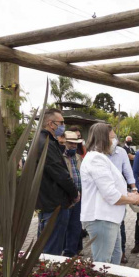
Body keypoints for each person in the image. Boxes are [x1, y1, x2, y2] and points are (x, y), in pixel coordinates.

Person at [80, 123, 139, 264]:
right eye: (112, 138)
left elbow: (113, 186)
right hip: (102, 219)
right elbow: (110, 194)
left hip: (109, 219)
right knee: (103, 265)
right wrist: (132, 199)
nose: (114, 141)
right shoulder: (96, 159)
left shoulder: (100, 157)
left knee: (115, 260)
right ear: (103, 138)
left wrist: (129, 193)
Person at [35, 108, 79, 256]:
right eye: (61, 123)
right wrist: (74, 193)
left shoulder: (42, 141)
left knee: (47, 246)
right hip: (54, 203)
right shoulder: (46, 143)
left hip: (48, 202)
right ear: (51, 124)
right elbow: (60, 174)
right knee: (51, 251)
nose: (63, 126)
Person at [108, 129, 138, 264]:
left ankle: (121, 252)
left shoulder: (121, 152)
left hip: (119, 195)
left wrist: (134, 188)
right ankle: (107, 253)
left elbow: (128, 170)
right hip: (104, 194)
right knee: (106, 223)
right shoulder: (98, 153)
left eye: (114, 136)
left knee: (120, 223)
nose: (113, 138)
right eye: (111, 136)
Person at [61, 130, 84, 257]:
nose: (74, 146)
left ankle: (71, 252)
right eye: (71, 143)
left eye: (75, 144)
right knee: (64, 225)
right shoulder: (60, 156)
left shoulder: (78, 157)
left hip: (80, 197)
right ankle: (64, 252)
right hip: (67, 196)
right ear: (65, 143)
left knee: (75, 226)